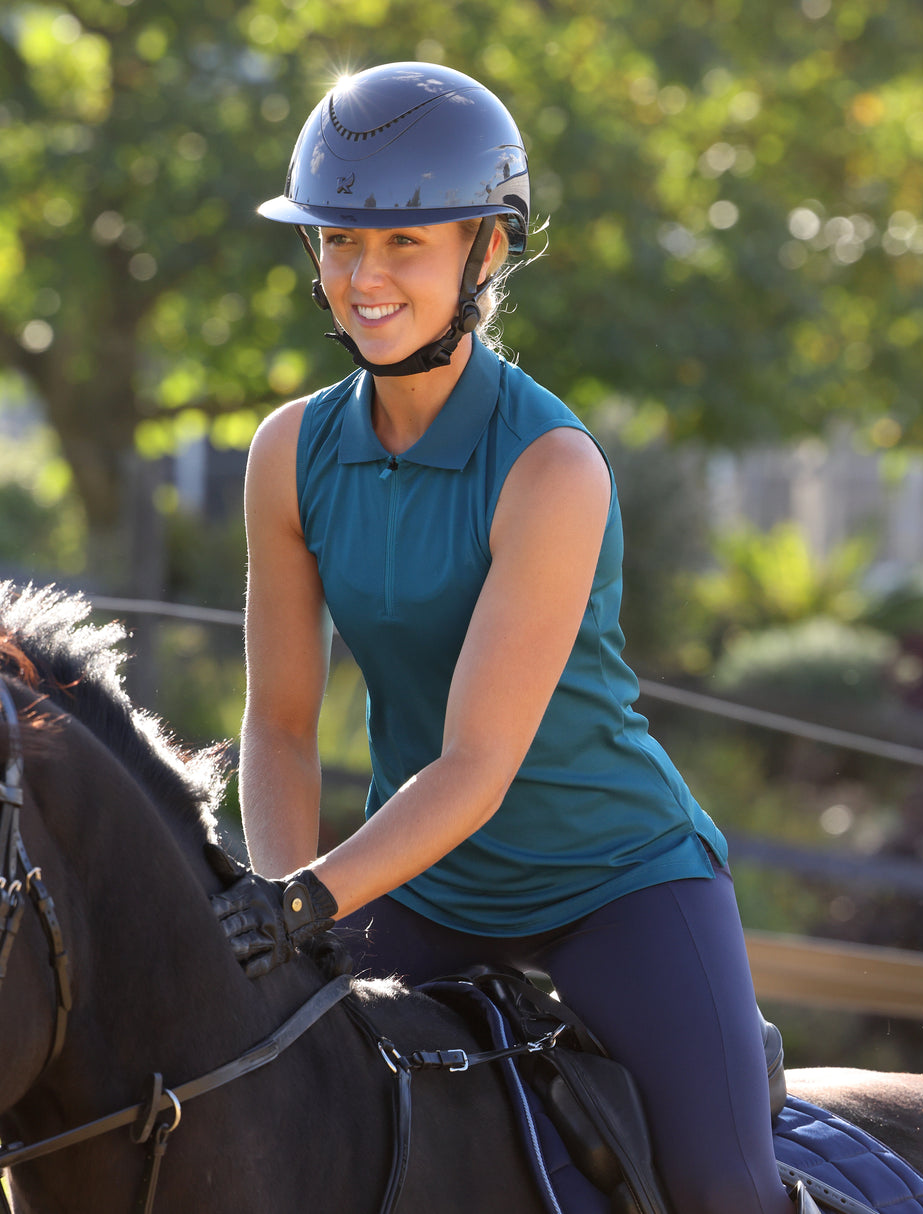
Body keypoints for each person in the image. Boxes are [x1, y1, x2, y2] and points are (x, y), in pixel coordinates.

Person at [210, 62, 802, 1214]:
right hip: (416, 881)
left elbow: (476, 764)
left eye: (403, 245)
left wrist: (306, 903)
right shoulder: (286, 452)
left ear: (486, 250)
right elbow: (277, 723)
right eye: (337, 242)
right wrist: (276, 895)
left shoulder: (549, 465)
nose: (361, 277)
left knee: (723, 1184)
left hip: (613, 876)